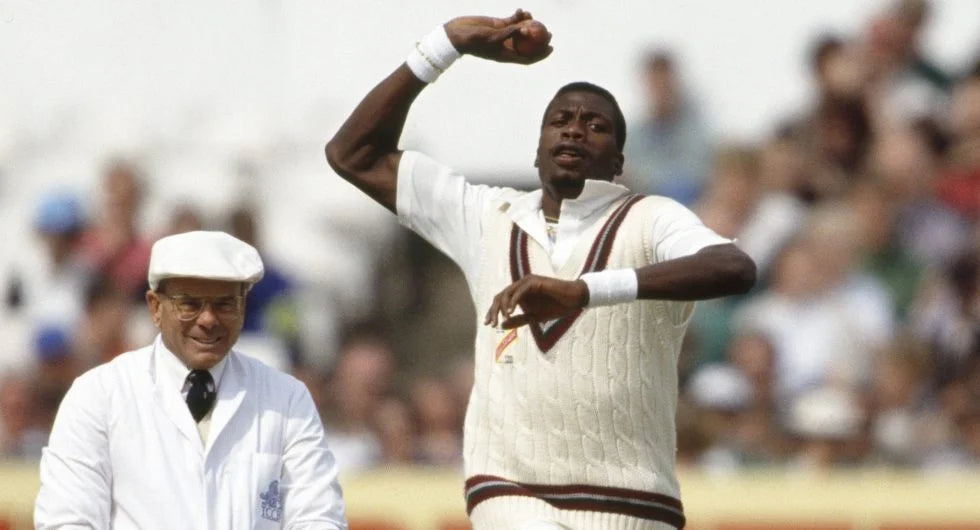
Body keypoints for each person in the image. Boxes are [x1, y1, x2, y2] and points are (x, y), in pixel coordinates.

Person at [325, 10, 756, 529]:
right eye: (560, 121)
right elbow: (353, 153)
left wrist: (586, 291)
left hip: (633, 502)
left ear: (619, 161)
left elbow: (734, 266)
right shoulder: (487, 215)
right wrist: (447, 45)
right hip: (510, 491)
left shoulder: (651, 217)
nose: (574, 130)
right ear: (536, 153)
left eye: (594, 125)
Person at [35, 230, 347, 529]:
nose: (208, 319)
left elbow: (318, 515)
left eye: (225, 304)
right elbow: (68, 519)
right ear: (155, 308)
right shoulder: (99, 395)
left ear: (243, 308)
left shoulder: (287, 399)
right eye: (190, 304)